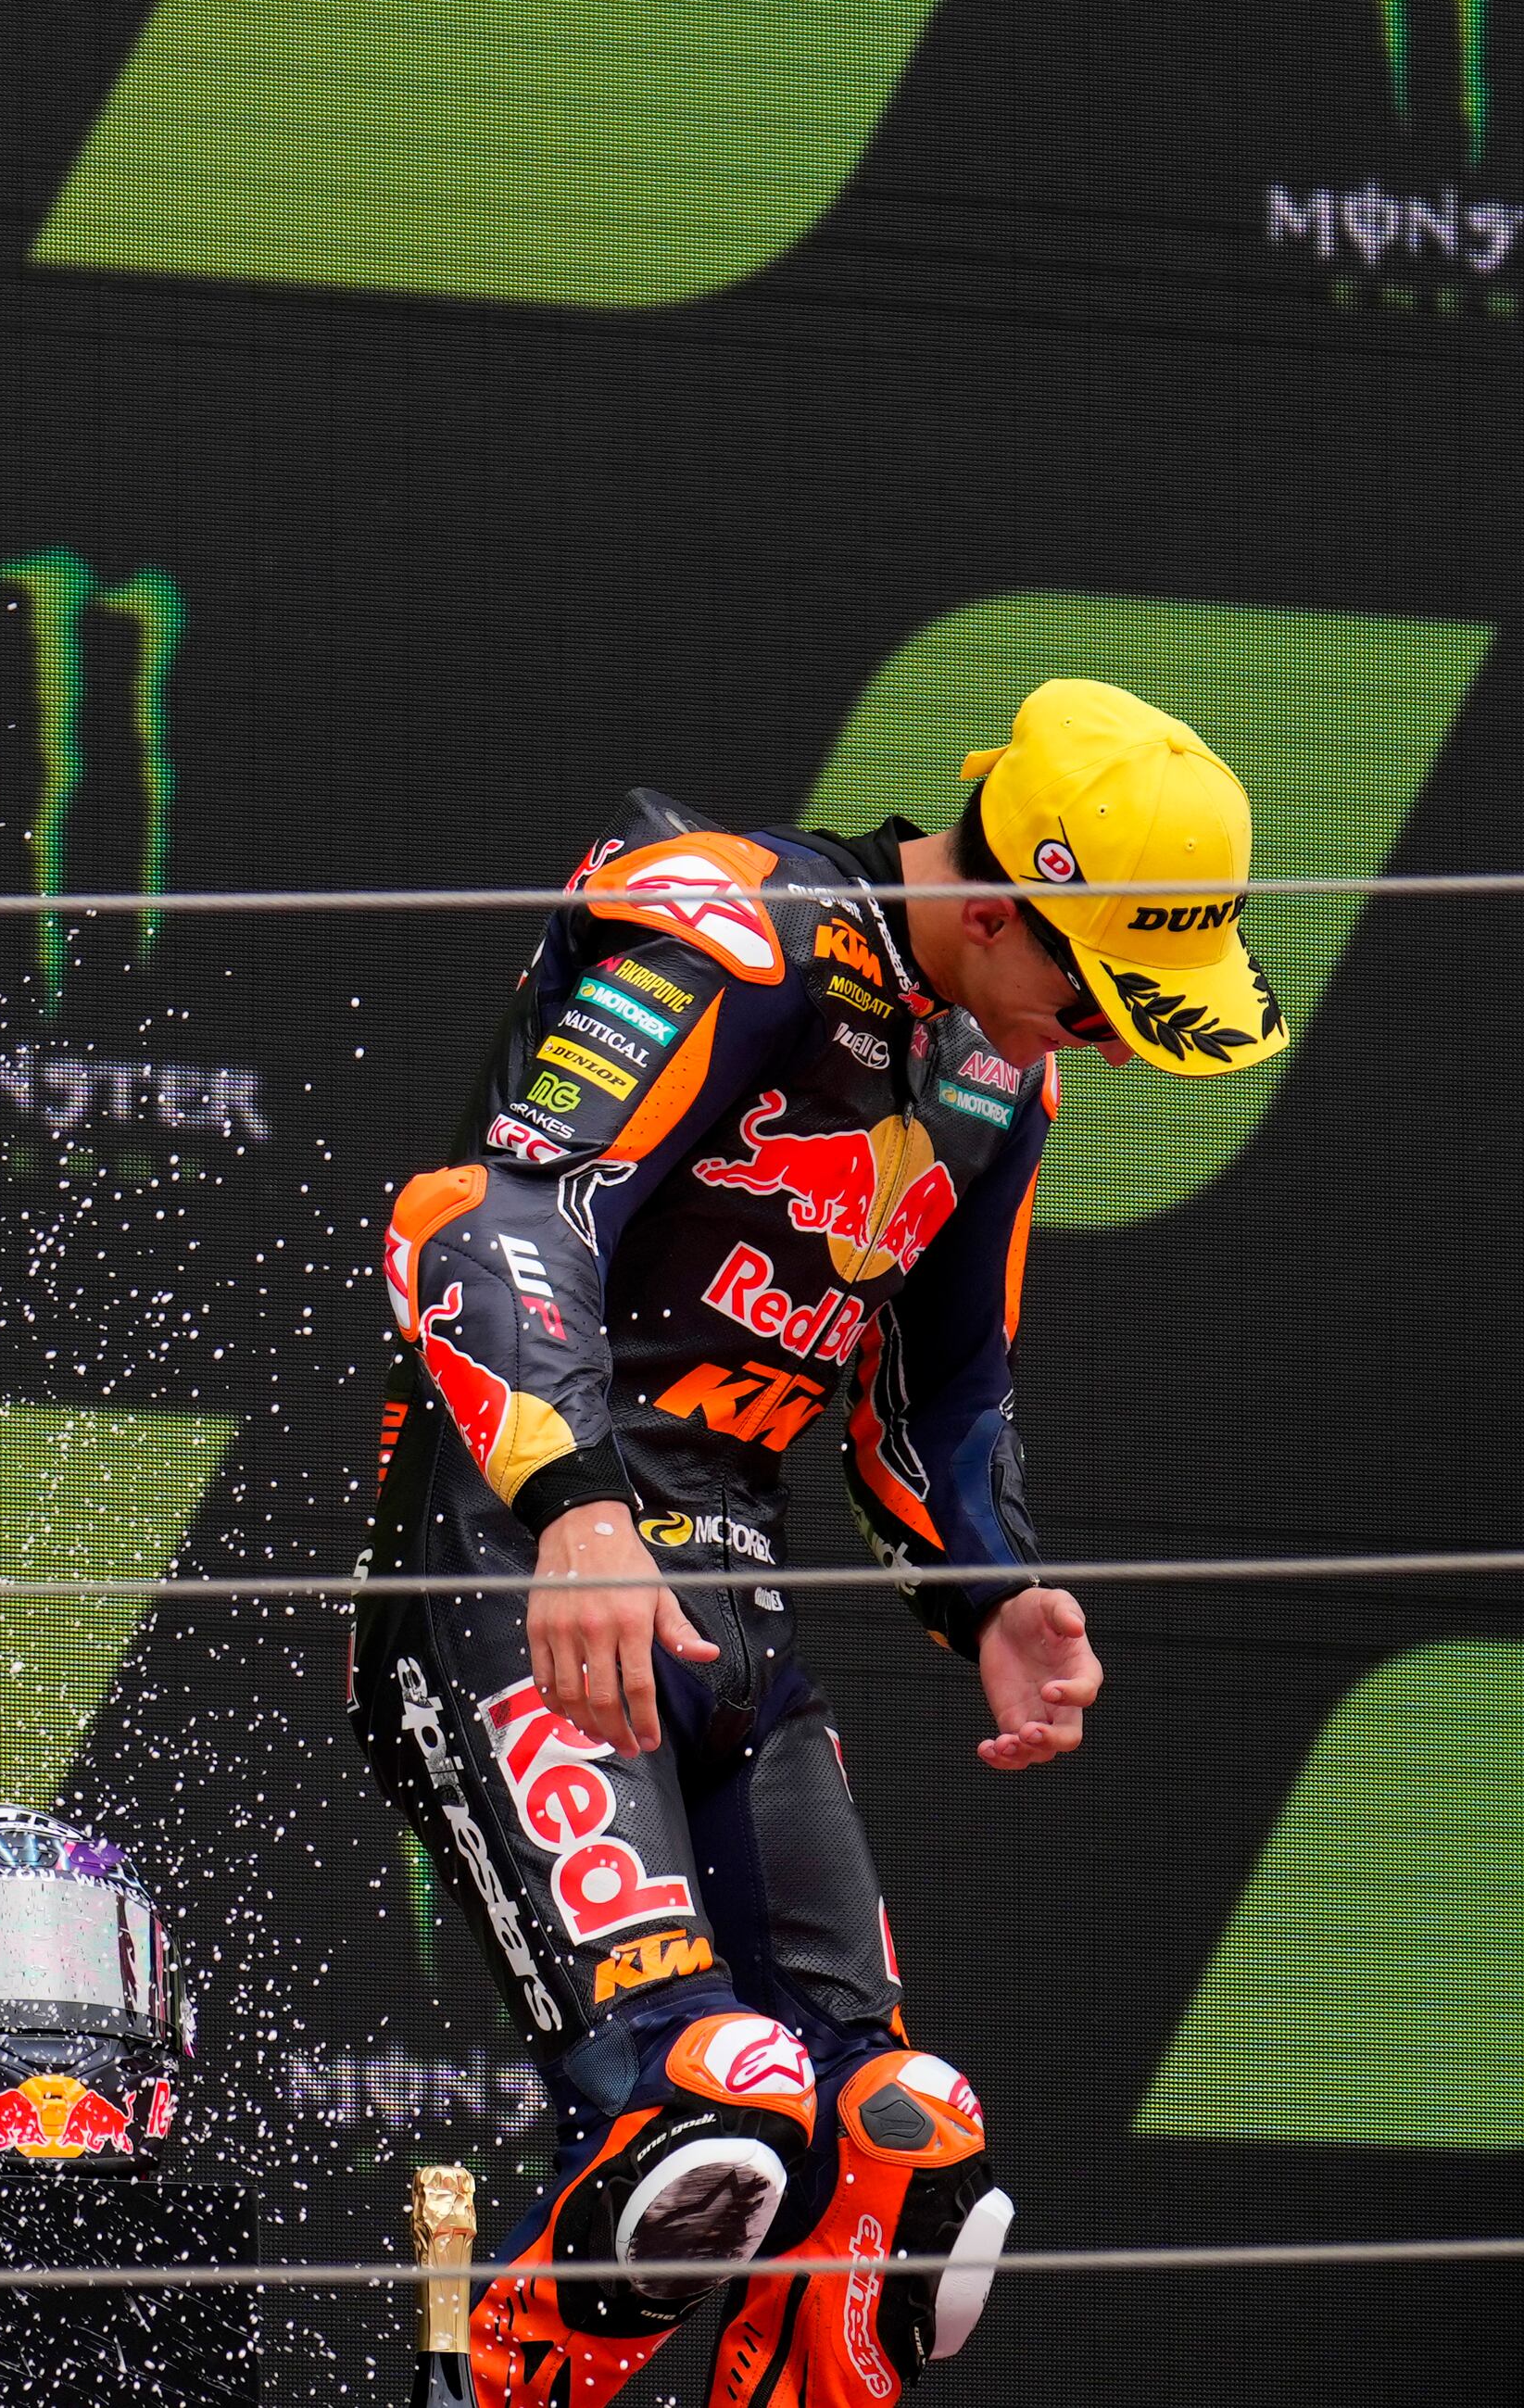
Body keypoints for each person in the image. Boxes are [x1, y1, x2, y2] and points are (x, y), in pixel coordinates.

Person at [350, 679, 1286, 2408]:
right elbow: (483, 1217)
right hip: (515, 1568)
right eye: (1096, 993)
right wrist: (580, 1516)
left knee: (905, 2162)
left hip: (732, 1603)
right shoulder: (738, 925)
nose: (1097, 1037)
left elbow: (944, 1385)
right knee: (709, 2120)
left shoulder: (999, 1071)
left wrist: (992, 1595)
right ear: (999, 902)